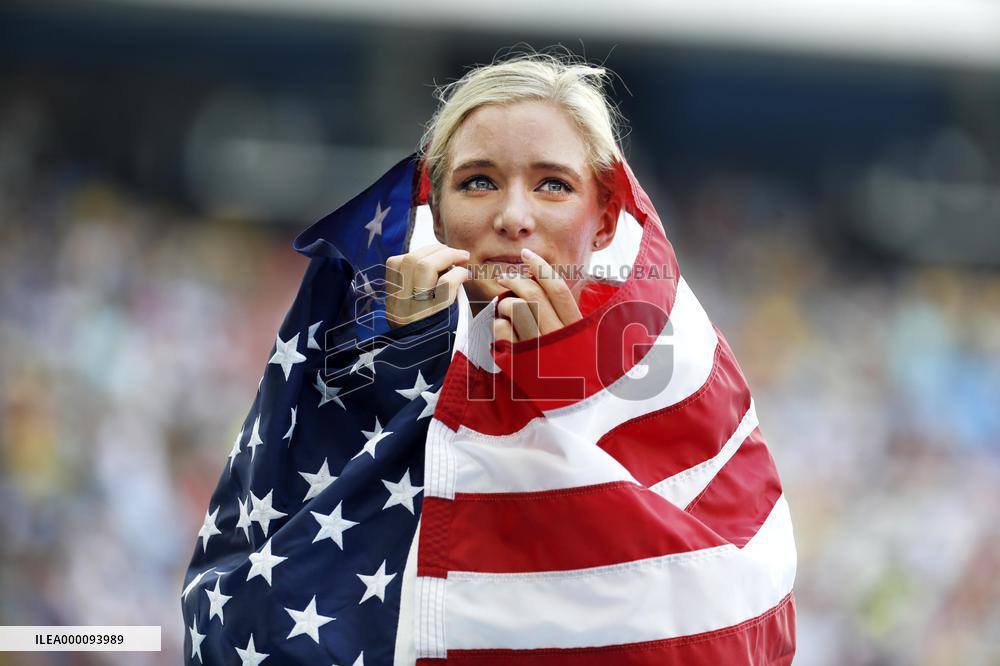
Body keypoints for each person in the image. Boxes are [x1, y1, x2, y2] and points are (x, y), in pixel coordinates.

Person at [181, 49, 797, 666]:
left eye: (553, 184)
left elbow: (722, 623)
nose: (513, 217)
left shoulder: (669, 370)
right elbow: (247, 597)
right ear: (437, 212)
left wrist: (556, 394)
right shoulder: (356, 346)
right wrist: (398, 366)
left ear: (605, 217)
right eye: (478, 181)